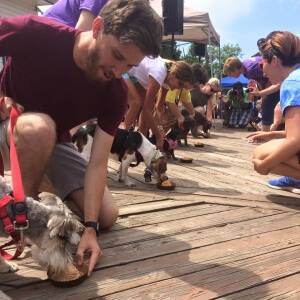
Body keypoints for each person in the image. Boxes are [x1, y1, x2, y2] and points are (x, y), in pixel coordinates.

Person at [0, 0, 163, 276]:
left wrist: (90, 229)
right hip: (9, 125)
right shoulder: (36, 32)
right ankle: (24, 220)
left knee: (106, 214)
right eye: (117, 55)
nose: (118, 71)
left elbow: (98, 163)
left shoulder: (115, 93)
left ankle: (36, 181)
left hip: (55, 142)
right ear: (97, 27)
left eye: (129, 66)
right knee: (40, 129)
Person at [246, 31, 300, 192]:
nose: (263, 72)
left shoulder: (292, 83)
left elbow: (295, 141)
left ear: (274, 60)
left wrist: (264, 166)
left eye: (263, 65)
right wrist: (272, 134)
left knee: (260, 154)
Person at [128, 56, 194, 151]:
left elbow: (159, 107)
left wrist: (160, 129)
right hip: (127, 69)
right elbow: (147, 111)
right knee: (136, 103)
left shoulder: (168, 78)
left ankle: (141, 144)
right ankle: (126, 141)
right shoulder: (159, 73)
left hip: (136, 77)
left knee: (148, 106)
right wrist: (158, 136)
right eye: (180, 84)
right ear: (173, 74)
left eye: (183, 86)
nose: (180, 88)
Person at [223, 56, 280, 132]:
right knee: (266, 105)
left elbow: (271, 74)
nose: (230, 76)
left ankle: (265, 134)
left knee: (266, 106)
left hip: (279, 80)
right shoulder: (246, 68)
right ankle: (266, 132)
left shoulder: (251, 69)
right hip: (275, 82)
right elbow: (259, 80)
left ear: (235, 70)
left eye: (229, 74)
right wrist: (262, 92)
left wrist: (264, 92)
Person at [155, 62, 209, 132]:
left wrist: (192, 114)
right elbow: (168, 100)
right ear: (191, 79)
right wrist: (179, 116)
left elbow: (186, 101)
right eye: (195, 86)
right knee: (168, 116)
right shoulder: (178, 79)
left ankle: (158, 136)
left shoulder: (183, 84)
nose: (193, 88)